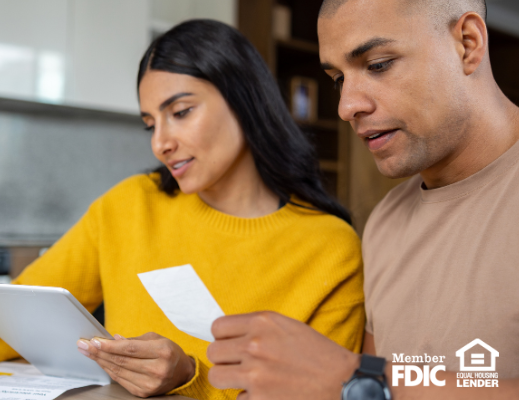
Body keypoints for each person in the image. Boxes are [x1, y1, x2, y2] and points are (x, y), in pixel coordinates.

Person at [0, 20, 365, 400]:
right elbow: (17, 315)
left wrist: (190, 375)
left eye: (180, 112)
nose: (161, 142)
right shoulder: (130, 204)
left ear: (244, 101)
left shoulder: (328, 247)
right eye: (150, 123)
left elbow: (321, 391)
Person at [206, 0, 519, 398]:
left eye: (378, 64)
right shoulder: (384, 221)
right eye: (338, 78)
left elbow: (370, 382)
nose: (347, 107)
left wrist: (354, 378)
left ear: (468, 44)